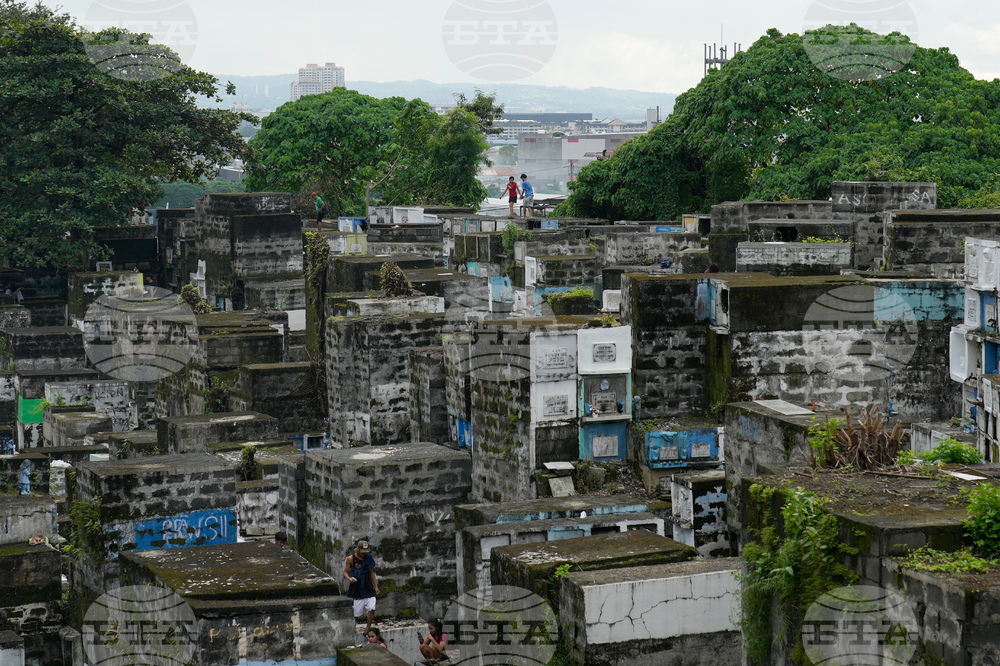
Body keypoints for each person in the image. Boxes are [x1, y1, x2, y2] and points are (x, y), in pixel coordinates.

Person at [344, 538, 379, 635]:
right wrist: (349, 579)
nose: (364, 554)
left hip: (368, 586)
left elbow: (372, 572)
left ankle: (367, 628)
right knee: (357, 613)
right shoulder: (351, 559)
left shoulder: (368, 558)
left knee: (372, 608)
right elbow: (345, 572)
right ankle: (351, 628)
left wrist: (375, 586)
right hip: (357, 588)